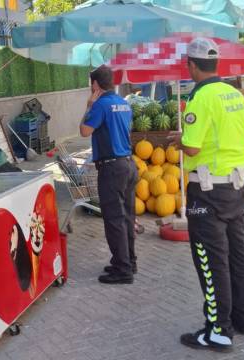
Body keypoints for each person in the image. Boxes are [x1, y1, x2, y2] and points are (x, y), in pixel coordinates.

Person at [168, 37, 244, 352]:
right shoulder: (235, 95)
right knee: (237, 252)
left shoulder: (200, 97)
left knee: (210, 258)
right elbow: (243, 137)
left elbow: (192, 146)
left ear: (191, 65)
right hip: (235, 186)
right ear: (215, 64)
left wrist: (179, 141)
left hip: (206, 192)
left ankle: (218, 330)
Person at [80, 65, 137, 285]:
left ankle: (123, 270)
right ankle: (129, 260)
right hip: (129, 165)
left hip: (112, 168)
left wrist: (88, 107)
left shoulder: (100, 104)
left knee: (114, 219)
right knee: (127, 217)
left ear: (95, 85)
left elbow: (84, 130)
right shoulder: (124, 103)